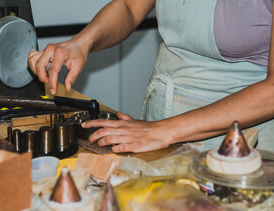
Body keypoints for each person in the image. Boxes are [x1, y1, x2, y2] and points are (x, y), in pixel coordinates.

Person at [28, 0, 274, 153]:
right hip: (159, 129)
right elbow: (129, 7)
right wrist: (83, 42)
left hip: (242, 146)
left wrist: (163, 130)